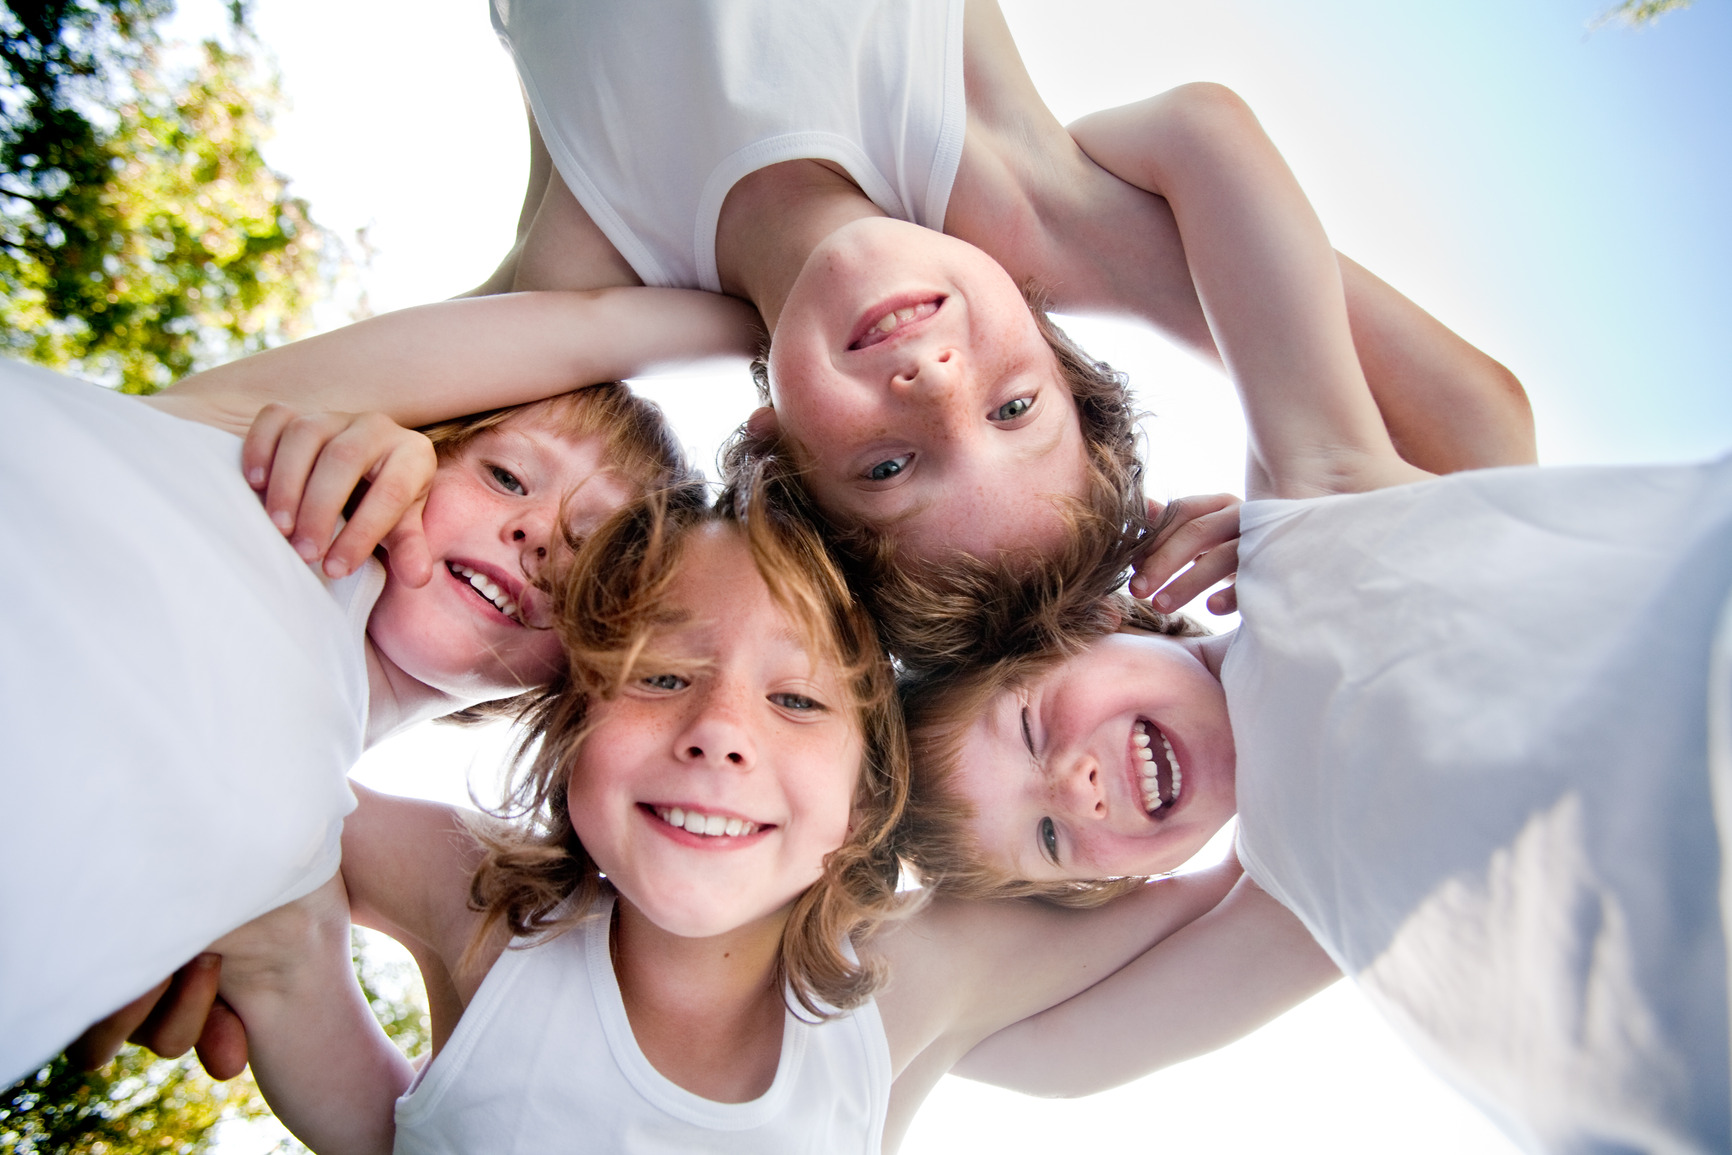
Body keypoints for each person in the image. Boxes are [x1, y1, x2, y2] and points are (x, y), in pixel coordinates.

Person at [897, 79, 1732, 1150]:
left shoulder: (1309, 523)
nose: (1075, 781)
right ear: (1121, 888)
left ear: (1097, 624)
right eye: (1052, 838)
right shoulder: (1278, 907)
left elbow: (1199, 132)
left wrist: (1057, 227)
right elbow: (1014, 1051)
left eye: (1031, 724)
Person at [162, 479, 1332, 1154]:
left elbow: (1298, 894)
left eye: (795, 699)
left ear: (866, 801)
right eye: (661, 678)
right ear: (571, 724)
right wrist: (273, 956)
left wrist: (1272, 608)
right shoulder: (486, 903)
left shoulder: (908, 988)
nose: (721, 729)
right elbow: (223, 763)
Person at [473, 0, 1536, 659]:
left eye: (888, 466)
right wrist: (1319, 472)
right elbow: (1478, 428)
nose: (936, 383)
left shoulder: (589, 274)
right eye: (1014, 408)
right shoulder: (1008, 206)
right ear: (1050, 333)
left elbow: (393, 416)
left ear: (769, 447)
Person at [0, 285, 758, 1084]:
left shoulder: (297, 869)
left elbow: (418, 1131)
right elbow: (592, 322)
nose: (537, 532)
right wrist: (797, 324)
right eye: (505, 477)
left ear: (590, 661)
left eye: (587, 547)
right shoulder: (248, 436)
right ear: (423, 438)